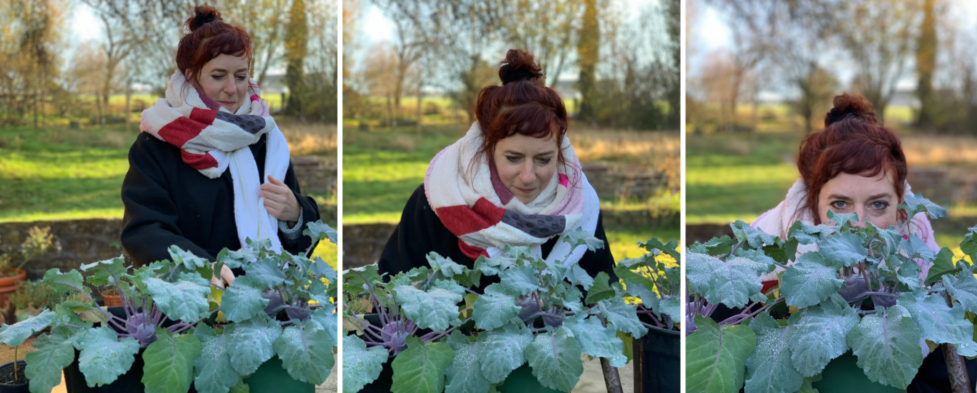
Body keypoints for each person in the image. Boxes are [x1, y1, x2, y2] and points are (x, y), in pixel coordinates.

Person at [750, 93, 974, 392]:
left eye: (878, 205)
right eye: (840, 204)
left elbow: (946, 376)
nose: (859, 223)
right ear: (814, 202)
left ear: (899, 206)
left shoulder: (917, 245)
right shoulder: (770, 247)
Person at [378, 49, 615, 289]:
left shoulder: (582, 207)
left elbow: (605, 302)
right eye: (513, 158)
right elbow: (392, 296)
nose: (528, 176)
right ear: (488, 148)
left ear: (560, 152)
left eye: (544, 160)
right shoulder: (436, 203)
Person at [120, 5, 319, 284]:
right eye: (218, 76)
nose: (232, 88)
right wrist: (199, 266)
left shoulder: (266, 138)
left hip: (267, 304)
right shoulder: (156, 145)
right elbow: (143, 230)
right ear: (191, 77)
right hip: (189, 305)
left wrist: (296, 214)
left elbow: (299, 241)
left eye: (240, 76)